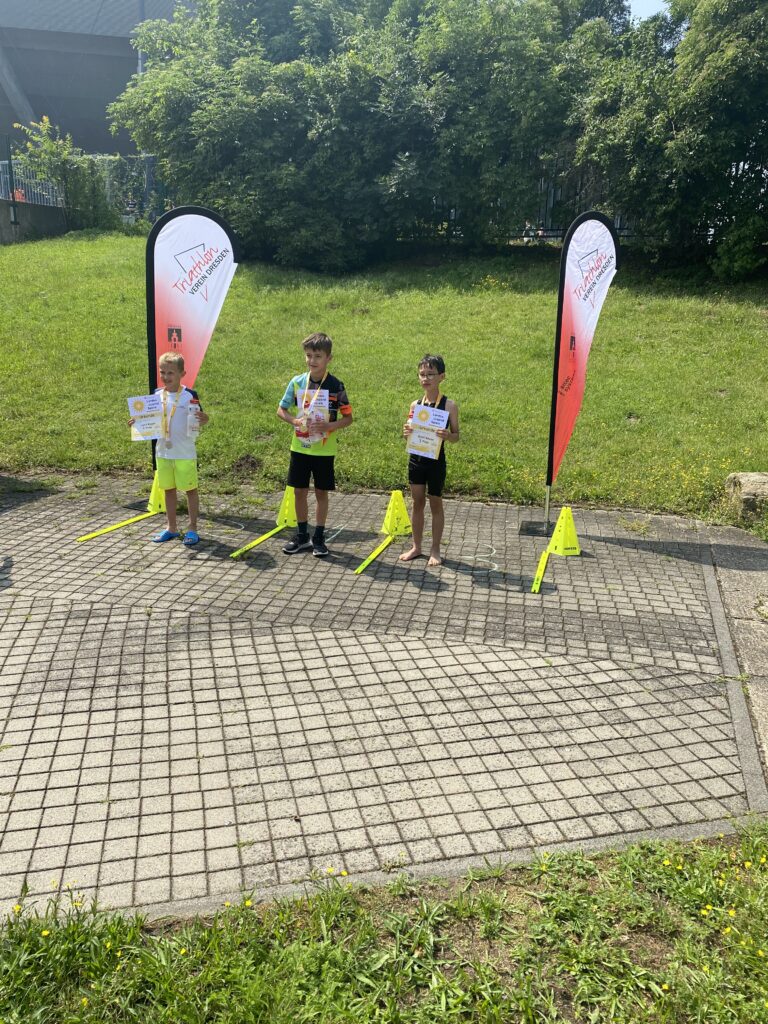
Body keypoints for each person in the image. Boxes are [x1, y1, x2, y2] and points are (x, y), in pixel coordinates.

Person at [276, 332, 353, 557]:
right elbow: (281, 410)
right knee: (299, 491)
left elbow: (348, 418)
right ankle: (302, 536)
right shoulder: (297, 382)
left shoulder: (336, 385)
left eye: (318, 356)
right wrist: (294, 421)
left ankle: (318, 537)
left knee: (321, 492)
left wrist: (329, 426)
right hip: (300, 447)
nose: (312, 360)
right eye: (308, 355)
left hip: (324, 450)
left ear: (329, 358)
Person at [129, 351, 208, 546]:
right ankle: (171, 528)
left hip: (184, 452)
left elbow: (201, 418)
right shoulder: (156, 396)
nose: (166, 376)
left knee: (190, 489)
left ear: (182, 373)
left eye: (170, 373)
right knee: (168, 490)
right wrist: (136, 422)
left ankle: (192, 528)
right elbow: (148, 420)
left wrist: (205, 418)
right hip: (163, 452)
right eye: (162, 372)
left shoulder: (190, 395)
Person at [400, 354, 460, 567]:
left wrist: (448, 436)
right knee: (417, 502)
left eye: (431, 374)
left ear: (441, 376)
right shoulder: (415, 405)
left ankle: (435, 549)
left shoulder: (449, 405)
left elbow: (456, 436)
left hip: (436, 461)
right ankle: (416, 546)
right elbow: (409, 433)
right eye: (422, 374)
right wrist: (406, 432)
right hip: (416, 459)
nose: (426, 378)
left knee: (435, 503)